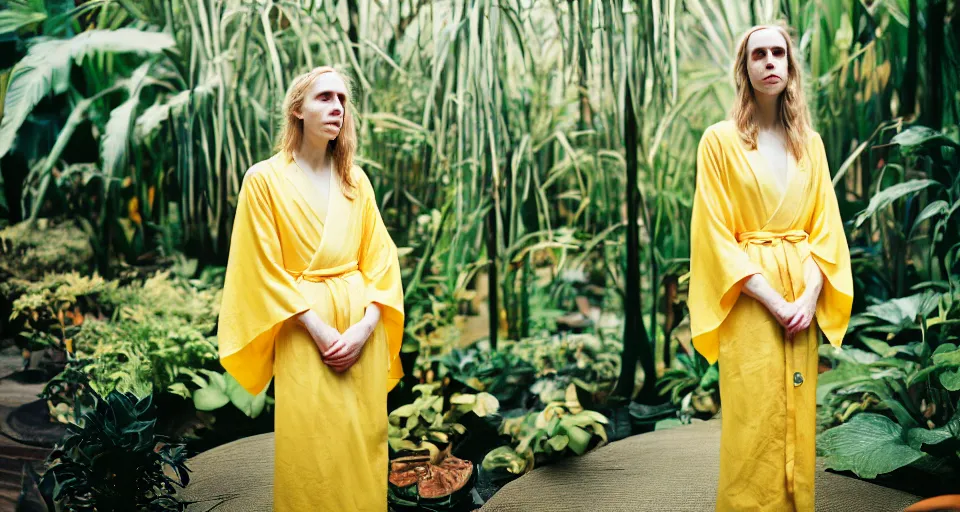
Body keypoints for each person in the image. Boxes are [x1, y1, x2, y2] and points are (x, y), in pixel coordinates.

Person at [216, 66, 404, 510]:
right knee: (311, 448)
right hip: (304, 332)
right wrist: (320, 331)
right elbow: (261, 266)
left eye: (342, 98)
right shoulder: (263, 179)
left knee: (363, 446)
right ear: (297, 109)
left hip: (363, 332)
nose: (337, 107)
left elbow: (381, 261)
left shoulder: (355, 181)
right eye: (324, 97)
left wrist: (364, 329)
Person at [688, 24, 853, 511]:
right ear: (745, 68)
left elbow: (827, 231)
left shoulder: (812, 144)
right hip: (752, 300)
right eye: (758, 54)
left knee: (797, 417)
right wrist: (776, 301)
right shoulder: (718, 142)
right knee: (753, 419)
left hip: (802, 299)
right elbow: (714, 235)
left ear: (789, 66)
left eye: (778, 52)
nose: (769, 61)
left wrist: (805, 298)